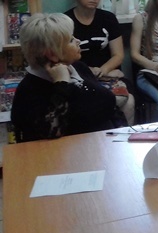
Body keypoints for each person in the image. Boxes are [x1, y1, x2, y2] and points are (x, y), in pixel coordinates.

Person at [11, 13, 127, 142]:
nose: (78, 41)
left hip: (108, 144)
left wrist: (124, 134)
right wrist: (61, 83)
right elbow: (52, 131)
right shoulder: (30, 89)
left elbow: (109, 105)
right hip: (73, 152)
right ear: (52, 54)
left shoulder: (78, 67)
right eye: (71, 40)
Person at [65, 0, 134, 125]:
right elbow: (65, 59)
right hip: (80, 77)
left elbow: (118, 55)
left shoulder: (108, 18)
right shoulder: (66, 22)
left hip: (107, 74)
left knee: (129, 101)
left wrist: (102, 71)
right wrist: (90, 73)